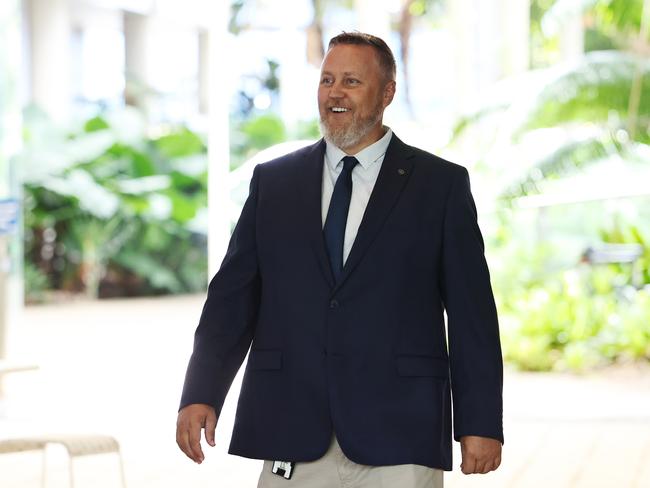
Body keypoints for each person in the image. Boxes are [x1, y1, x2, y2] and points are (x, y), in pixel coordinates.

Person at [176, 31, 503, 488]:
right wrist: (201, 392)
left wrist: (480, 421)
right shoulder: (274, 183)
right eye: (327, 79)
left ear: (387, 92)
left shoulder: (440, 186)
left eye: (351, 81)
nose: (335, 92)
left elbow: (473, 316)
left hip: (400, 430)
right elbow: (232, 300)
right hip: (290, 424)